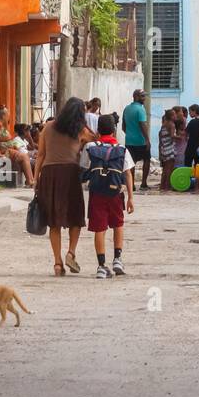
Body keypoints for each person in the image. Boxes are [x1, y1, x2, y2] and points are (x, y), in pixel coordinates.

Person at [35, 97, 90, 277]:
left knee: (54, 221)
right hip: (71, 174)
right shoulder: (80, 130)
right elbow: (96, 138)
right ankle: (71, 253)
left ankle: (58, 263)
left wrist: (36, 180)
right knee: (76, 216)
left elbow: (41, 155)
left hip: (50, 175)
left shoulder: (48, 127)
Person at [80, 114, 134, 278]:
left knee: (99, 228)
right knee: (118, 224)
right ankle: (117, 259)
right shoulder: (122, 149)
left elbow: (83, 167)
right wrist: (131, 197)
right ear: (114, 130)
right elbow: (128, 174)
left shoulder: (90, 147)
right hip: (115, 193)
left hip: (97, 193)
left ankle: (101, 266)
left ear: (98, 130)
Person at [0, 106, 36, 187]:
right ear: (3, 115)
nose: (9, 115)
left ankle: (30, 180)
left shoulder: (3, 126)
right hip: (6, 151)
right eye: (7, 113)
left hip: (10, 150)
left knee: (25, 156)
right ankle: (30, 181)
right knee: (24, 157)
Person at [123, 89, 150, 192]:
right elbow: (143, 125)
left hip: (129, 141)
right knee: (146, 160)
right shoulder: (140, 109)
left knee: (131, 162)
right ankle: (143, 184)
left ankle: (132, 184)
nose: (144, 98)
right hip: (141, 141)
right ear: (136, 97)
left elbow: (123, 127)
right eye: (142, 96)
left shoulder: (127, 109)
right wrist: (147, 140)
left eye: (144, 96)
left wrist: (130, 134)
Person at [158, 110, 178, 191]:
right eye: (174, 115)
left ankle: (162, 186)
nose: (176, 116)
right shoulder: (171, 124)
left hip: (163, 148)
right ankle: (167, 186)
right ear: (171, 116)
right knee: (169, 168)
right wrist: (181, 137)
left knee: (165, 169)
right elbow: (172, 136)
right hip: (169, 148)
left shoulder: (163, 125)